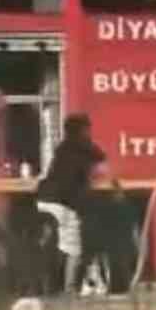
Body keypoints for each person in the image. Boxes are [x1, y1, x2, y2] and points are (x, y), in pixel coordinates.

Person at [36, 113, 107, 292]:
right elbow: (101, 158)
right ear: (84, 130)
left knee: (51, 245)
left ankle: (47, 285)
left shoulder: (61, 148)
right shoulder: (84, 147)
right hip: (63, 204)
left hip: (43, 200)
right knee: (74, 249)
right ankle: (69, 289)